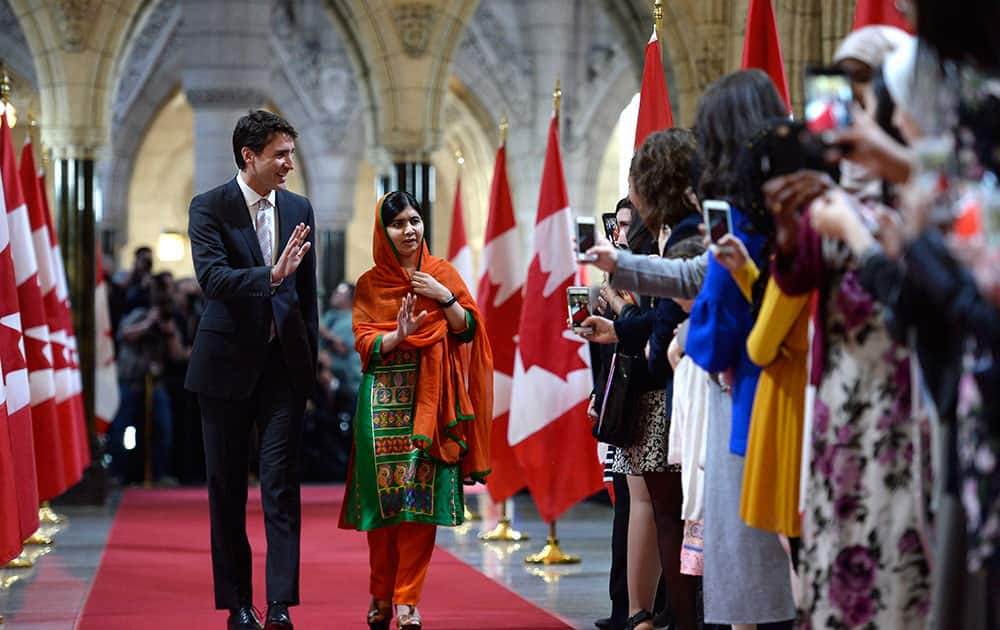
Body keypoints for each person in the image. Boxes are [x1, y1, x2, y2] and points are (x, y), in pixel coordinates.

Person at [185, 109, 317, 630]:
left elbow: (305, 296)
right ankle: (238, 605)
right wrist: (270, 274)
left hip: (284, 369)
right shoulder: (209, 206)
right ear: (250, 156)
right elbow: (212, 278)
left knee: (282, 486)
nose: (289, 164)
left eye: (291, 153)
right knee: (226, 489)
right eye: (280, 154)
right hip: (223, 369)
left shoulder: (300, 205)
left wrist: (309, 365)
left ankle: (280, 603)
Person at [339, 191, 493, 630]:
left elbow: (467, 333)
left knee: (419, 504)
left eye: (415, 220)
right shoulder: (370, 284)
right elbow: (365, 341)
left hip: (432, 399)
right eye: (398, 224)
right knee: (384, 503)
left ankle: (407, 600)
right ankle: (380, 591)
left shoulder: (442, 273)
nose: (409, 230)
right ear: (382, 232)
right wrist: (398, 334)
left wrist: (445, 297)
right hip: (383, 399)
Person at [684, 69, 796, 630]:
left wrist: (690, 335)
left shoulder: (746, 223)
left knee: (756, 578)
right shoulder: (797, 208)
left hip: (755, 397)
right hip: (808, 391)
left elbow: (715, 337)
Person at [108, 271, 185, 484]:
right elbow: (124, 334)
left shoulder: (168, 318)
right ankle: (118, 473)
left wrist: (168, 331)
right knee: (123, 428)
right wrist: (148, 323)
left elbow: (177, 354)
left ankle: (159, 473)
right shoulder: (139, 312)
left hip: (156, 381)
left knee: (163, 428)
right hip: (131, 380)